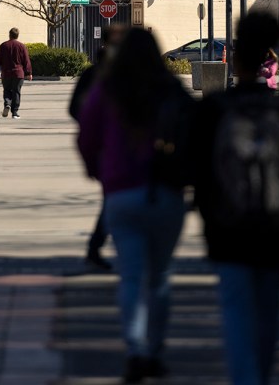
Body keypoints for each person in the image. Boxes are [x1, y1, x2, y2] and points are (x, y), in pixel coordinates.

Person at [193, 11, 279, 385]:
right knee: (267, 321)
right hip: (275, 233)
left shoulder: (214, 110)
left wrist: (207, 223)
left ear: (236, 57)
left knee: (238, 320)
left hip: (229, 233)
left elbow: (201, 175)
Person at [77, 28, 194, 383]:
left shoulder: (108, 90)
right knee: (159, 277)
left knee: (131, 276)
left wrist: (101, 174)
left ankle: (135, 350)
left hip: (122, 194)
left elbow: (86, 137)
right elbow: (196, 134)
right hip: (167, 193)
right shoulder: (171, 90)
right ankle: (154, 350)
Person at [68, 23, 128, 273]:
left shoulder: (133, 76)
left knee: (115, 200)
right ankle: (107, 248)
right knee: (116, 199)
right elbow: (75, 109)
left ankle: (99, 247)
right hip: (112, 151)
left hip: (123, 152)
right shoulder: (98, 76)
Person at [0, 27, 32, 119]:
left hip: (6, 73)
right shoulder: (21, 46)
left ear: (9, 34)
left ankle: (7, 103)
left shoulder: (3, 46)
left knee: (7, 90)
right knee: (16, 92)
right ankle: (14, 112)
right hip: (18, 73)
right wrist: (28, 73)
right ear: (17, 35)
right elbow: (26, 60)